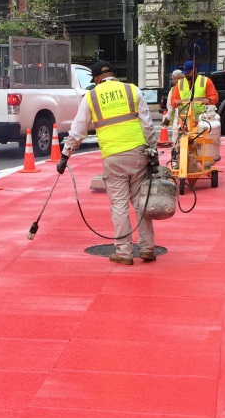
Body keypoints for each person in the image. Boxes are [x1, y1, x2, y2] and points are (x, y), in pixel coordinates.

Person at [63, 60, 159, 265]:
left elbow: (78, 129)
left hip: (113, 157)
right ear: (114, 75)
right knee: (142, 202)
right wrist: (153, 149)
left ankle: (124, 253)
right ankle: (147, 249)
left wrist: (65, 155)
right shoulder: (132, 90)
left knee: (119, 205)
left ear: (97, 78)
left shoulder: (92, 96)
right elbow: (147, 124)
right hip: (138, 153)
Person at [168, 60, 218, 135]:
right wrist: (175, 102)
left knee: (200, 143)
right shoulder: (180, 83)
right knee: (183, 144)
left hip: (201, 121)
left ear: (194, 70)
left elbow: (215, 97)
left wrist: (209, 100)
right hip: (184, 121)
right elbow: (173, 100)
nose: (186, 75)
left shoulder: (206, 81)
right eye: (185, 73)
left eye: (188, 73)